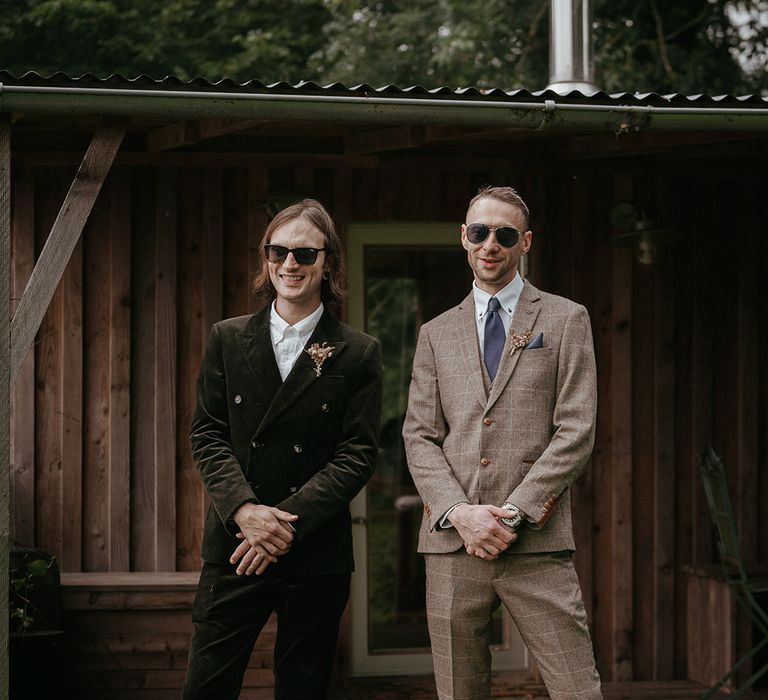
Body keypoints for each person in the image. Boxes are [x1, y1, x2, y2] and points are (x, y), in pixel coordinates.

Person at [402, 186, 601, 699]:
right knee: (458, 692)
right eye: (480, 232)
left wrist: (512, 513)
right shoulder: (434, 333)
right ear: (463, 239)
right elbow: (419, 435)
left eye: (505, 234)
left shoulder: (565, 319)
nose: (491, 243)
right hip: (453, 545)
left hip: (536, 541)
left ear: (525, 241)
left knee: (577, 689)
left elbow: (576, 430)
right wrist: (460, 513)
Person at [182, 199, 382, 700]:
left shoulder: (358, 351)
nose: (290, 263)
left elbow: (357, 453)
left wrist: (280, 524)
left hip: (313, 552)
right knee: (205, 689)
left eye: (304, 254)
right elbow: (207, 434)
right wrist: (247, 513)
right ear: (266, 259)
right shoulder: (226, 339)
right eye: (278, 251)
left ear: (328, 262)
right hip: (235, 547)